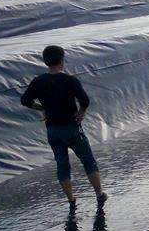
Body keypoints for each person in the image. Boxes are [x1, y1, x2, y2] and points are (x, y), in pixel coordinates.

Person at [21, 45, 107, 212]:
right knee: (88, 161)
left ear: (45, 61)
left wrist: (43, 108)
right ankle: (99, 195)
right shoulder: (69, 80)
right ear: (62, 60)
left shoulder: (38, 81)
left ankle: (71, 200)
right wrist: (81, 112)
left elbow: (25, 101)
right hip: (71, 128)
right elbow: (85, 101)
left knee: (62, 165)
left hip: (53, 131)